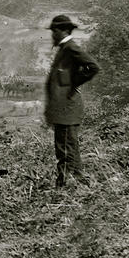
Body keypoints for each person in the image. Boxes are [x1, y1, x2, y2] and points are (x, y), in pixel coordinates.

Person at [44, 14, 100, 187]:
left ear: (64, 31)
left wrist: (73, 83)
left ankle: (66, 185)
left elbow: (93, 67)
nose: (52, 34)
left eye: (55, 31)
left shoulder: (70, 48)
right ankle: (75, 183)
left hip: (68, 109)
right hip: (63, 110)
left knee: (66, 149)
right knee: (67, 148)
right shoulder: (64, 49)